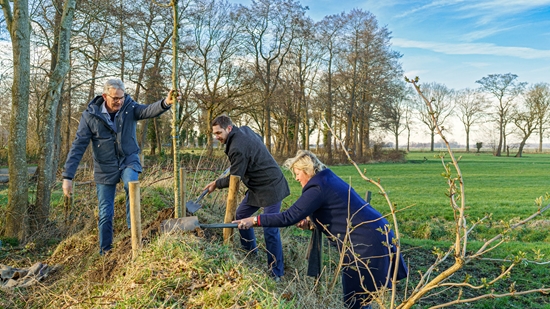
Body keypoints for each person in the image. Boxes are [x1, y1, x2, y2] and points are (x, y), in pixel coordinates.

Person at [233, 150, 408, 309]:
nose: (296, 178)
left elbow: (288, 217)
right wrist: (312, 223)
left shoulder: (317, 187)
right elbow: (337, 212)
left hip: (365, 244)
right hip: (376, 233)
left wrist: (254, 220)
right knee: (361, 300)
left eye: (297, 173)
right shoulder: (327, 179)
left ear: (307, 170)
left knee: (355, 301)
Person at [62, 79, 177, 255]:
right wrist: (68, 177)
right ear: (105, 96)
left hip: (128, 160)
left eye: (121, 97)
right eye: (115, 98)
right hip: (104, 168)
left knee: (131, 185)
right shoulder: (90, 116)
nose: (119, 101)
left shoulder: (129, 107)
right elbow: (78, 146)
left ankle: (135, 237)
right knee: (106, 213)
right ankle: (105, 251)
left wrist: (165, 102)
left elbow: (146, 110)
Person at [203, 115, 289, 280]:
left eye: (219, 133)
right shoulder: (244, 130)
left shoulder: (237, 147)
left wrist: (216, 183)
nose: (216, 137)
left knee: (270, 228)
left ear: (229, 128)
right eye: (214, 133)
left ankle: (276, 272)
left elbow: (234, 179)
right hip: (257, 186)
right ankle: (250, 252)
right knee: (241, 215)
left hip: (271, 186)